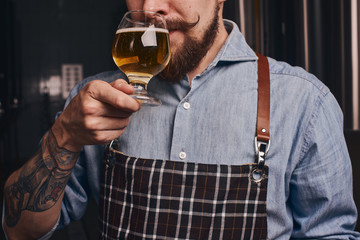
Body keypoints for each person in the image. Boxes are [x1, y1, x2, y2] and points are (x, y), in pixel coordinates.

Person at [2, 0, 360, 239]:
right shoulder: (91, 100)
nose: (149, 7)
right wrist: (65, 135)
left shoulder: (304, 102)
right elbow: (18, 230)